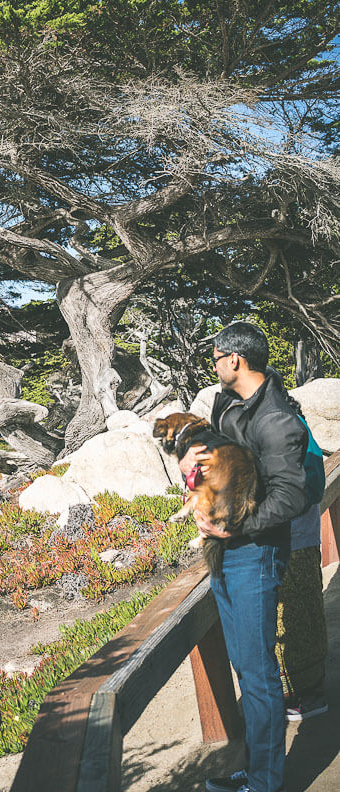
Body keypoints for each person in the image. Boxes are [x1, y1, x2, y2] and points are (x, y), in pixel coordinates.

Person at [179, 321, 308, 792]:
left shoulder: (276, 420)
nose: (213, 367)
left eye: (214, 358)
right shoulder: (226, 403)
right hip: (226, 552)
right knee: (246, 668)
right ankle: (255, 771)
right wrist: (195, 473)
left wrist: (232, 527)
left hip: (255, 554)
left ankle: (265, 783)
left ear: (234, 359)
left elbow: (290, 498)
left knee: (257, 676)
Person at [276, 502, 328, 721]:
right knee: (297, 613)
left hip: (293, 538)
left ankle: (307, 696)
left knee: (296, 617)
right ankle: (300, 693)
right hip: (292, 535)